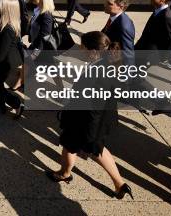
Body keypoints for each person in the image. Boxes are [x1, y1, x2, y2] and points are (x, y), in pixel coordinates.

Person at [46, 31, 133, 201]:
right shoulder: (107, 63)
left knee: (69, 145)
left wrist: (90, 134)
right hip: (100, 121)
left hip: (84, 121)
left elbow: (94, 107)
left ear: (93, 51)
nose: (80, 49)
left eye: (82, 47)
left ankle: (64, 173)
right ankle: (120, 183)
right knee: (99, 151)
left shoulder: (96, 73)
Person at [0, 0, 25, 118]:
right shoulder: (6, 25)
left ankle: (16, 103)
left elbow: (2, 53)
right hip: (5, 62)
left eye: (1, 6)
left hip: (4, 64)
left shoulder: (8, 29)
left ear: (7, 10)